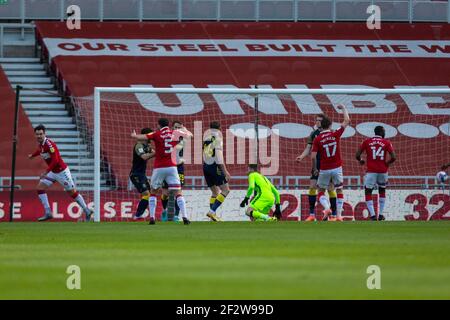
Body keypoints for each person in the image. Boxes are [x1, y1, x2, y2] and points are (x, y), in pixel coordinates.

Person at [131, 118, 192, 225]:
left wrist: (134, 135)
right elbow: (189, 135)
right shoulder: (174, 133)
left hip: (159, 167)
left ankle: (152, 218)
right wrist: (184, 130)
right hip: (172, 167)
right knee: (178, 192)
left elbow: (142, 137)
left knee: (153, 192)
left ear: (159, 125)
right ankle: (185, 217)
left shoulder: (156, 134)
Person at [28, 124, 93, 221]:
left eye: (41, 134)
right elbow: (40, 151)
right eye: (37, 134)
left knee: (72, 192)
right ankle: (48, 212)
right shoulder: (41, 145)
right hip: (53, 172)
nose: (39, 136)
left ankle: (86, 210)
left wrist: (46, 172)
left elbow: (56, 161)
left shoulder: (50, 145)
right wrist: (32, 155)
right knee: (40, 188)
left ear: (44, 134)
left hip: (62, 172)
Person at [311, 105, 350, 221]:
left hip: (324, 169)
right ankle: (338, 216)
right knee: (339, 190)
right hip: (337, 168)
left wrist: (314, 168)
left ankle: (327, 207)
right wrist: (343, 108)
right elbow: (347, 120)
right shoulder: (335, 134)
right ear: (330, 125)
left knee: (321, 191)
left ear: (321, 126)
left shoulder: (317, 139)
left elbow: (313, 157)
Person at [296, 114, 338, 221]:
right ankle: (312, 215)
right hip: (317, 164)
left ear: (323, 122)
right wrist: (301, 156)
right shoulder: (313, 134)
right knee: (312, 187)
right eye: (316, 120)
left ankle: (333, 215)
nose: (317, 122)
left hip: (328, 165)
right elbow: (308, 148)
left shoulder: (331, 133)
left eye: (319, 120)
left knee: (330, 189)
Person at [355, 126, 396, 221]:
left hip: (371, 171)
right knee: (382, 190)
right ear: (382, 133)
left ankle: (373, 215)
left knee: (368, 191)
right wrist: (387, 164)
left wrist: (361, 160)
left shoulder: (367, 141)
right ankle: (381, 214)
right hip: (383, 171)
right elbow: (394, 157)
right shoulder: (386, 142)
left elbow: (357, 155)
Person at [203, 121, 231, 222]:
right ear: (219, 128)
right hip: (215, 166)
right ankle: (212, 211)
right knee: (226, 190)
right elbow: (218, 156)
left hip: (206, 166)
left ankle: (213, 216)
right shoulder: (218, 139)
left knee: (215, 192)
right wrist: (225, 171)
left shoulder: (206, 138)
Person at [161, 120, 186, 222]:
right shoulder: (167, 139)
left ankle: (176, 215)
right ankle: (164, 211)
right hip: (168, 166)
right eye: (175, 127)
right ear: (172, 128)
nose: (176, 129)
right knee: (165, 192)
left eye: (178, 127)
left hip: (179, 168)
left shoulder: (183, 138)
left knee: (178, 192)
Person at [129, 128, 155, 219]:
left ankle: (139, 215)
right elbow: (144, 157)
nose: (151, 137)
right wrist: (155, 153)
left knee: (150, 194)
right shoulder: (139, 146)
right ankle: (137, 216)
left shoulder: (147, 146)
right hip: (136, 174)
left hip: (142, 174)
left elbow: (154, 152)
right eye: (150, 135)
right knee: (146, 194)